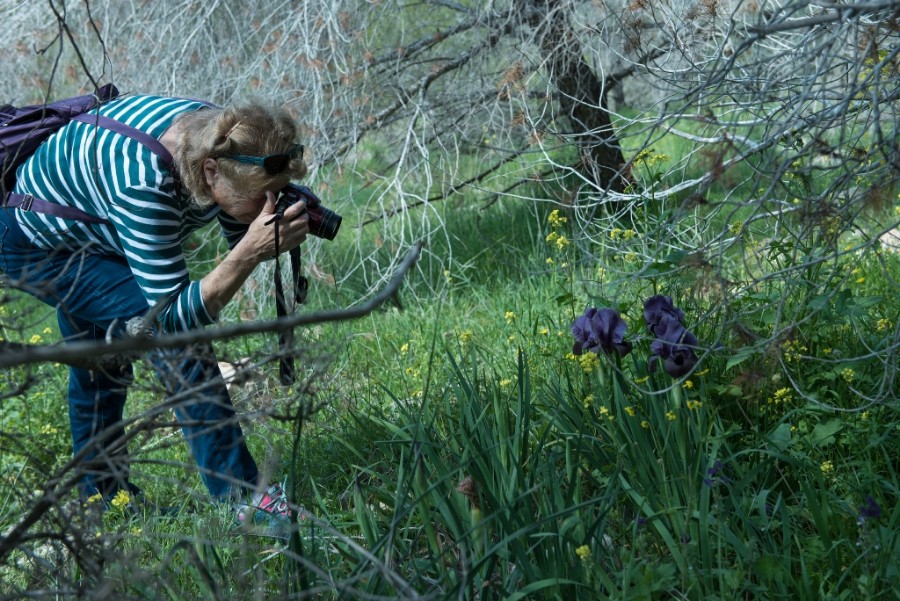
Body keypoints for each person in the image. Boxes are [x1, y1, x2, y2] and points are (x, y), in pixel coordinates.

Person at [0, 91, 310, 533]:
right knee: (181, 349)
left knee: (100, 360)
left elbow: (234, 210)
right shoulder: (144, 182)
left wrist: (273, 207)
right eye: (263, 198)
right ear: (209, 172)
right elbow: (169, 323)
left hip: (93, 225)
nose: (271, 207)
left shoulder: (225, 134)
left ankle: (101, 502)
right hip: (37, 244)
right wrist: (248, 253)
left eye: (276, 196)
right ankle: (245, 504)